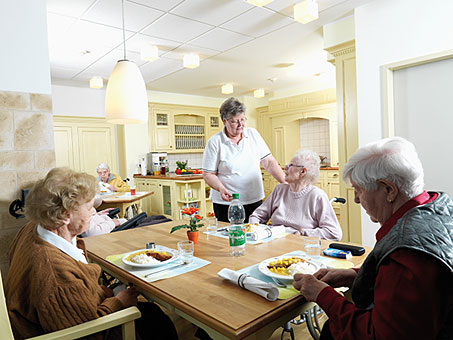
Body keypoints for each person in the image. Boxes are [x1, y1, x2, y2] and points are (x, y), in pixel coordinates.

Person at [293, 137, 453, 339]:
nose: (356, 199)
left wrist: (323, 295)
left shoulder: (407, 257)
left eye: (358, 190)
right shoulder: (439, 206)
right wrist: (354, 275)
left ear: (389, 190)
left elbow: (377, 335)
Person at [5, 167, 178, 339]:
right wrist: (119, 302)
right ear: (65, 215)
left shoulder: (32, 229)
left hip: (71, 314)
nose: (93, 212)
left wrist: (99, 292)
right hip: (91, 330)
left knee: (152, 314)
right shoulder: (56, 275)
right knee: (157, 323)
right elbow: (91, 335)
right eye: (88, 208)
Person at [202, 97, 285, 222]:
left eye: (243, 119)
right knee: (229, 237)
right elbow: (208, 174)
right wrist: (220, 188)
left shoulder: (253, 134)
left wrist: (285, 183)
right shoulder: (215, 142)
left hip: (254, 199)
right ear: (224, 121)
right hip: (227, 203)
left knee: (255, 235)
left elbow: (269, 162)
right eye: (235, 121)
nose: (241, 125)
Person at [249, 149, 342, 240]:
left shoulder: (317, 196)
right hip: (273, 241)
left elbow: (334, 232)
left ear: (302, 171)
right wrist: (255, 228)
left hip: (298, 245)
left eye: (290, 165)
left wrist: (303, 233)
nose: (285, 167)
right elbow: (256, 216)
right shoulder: (280, 190)